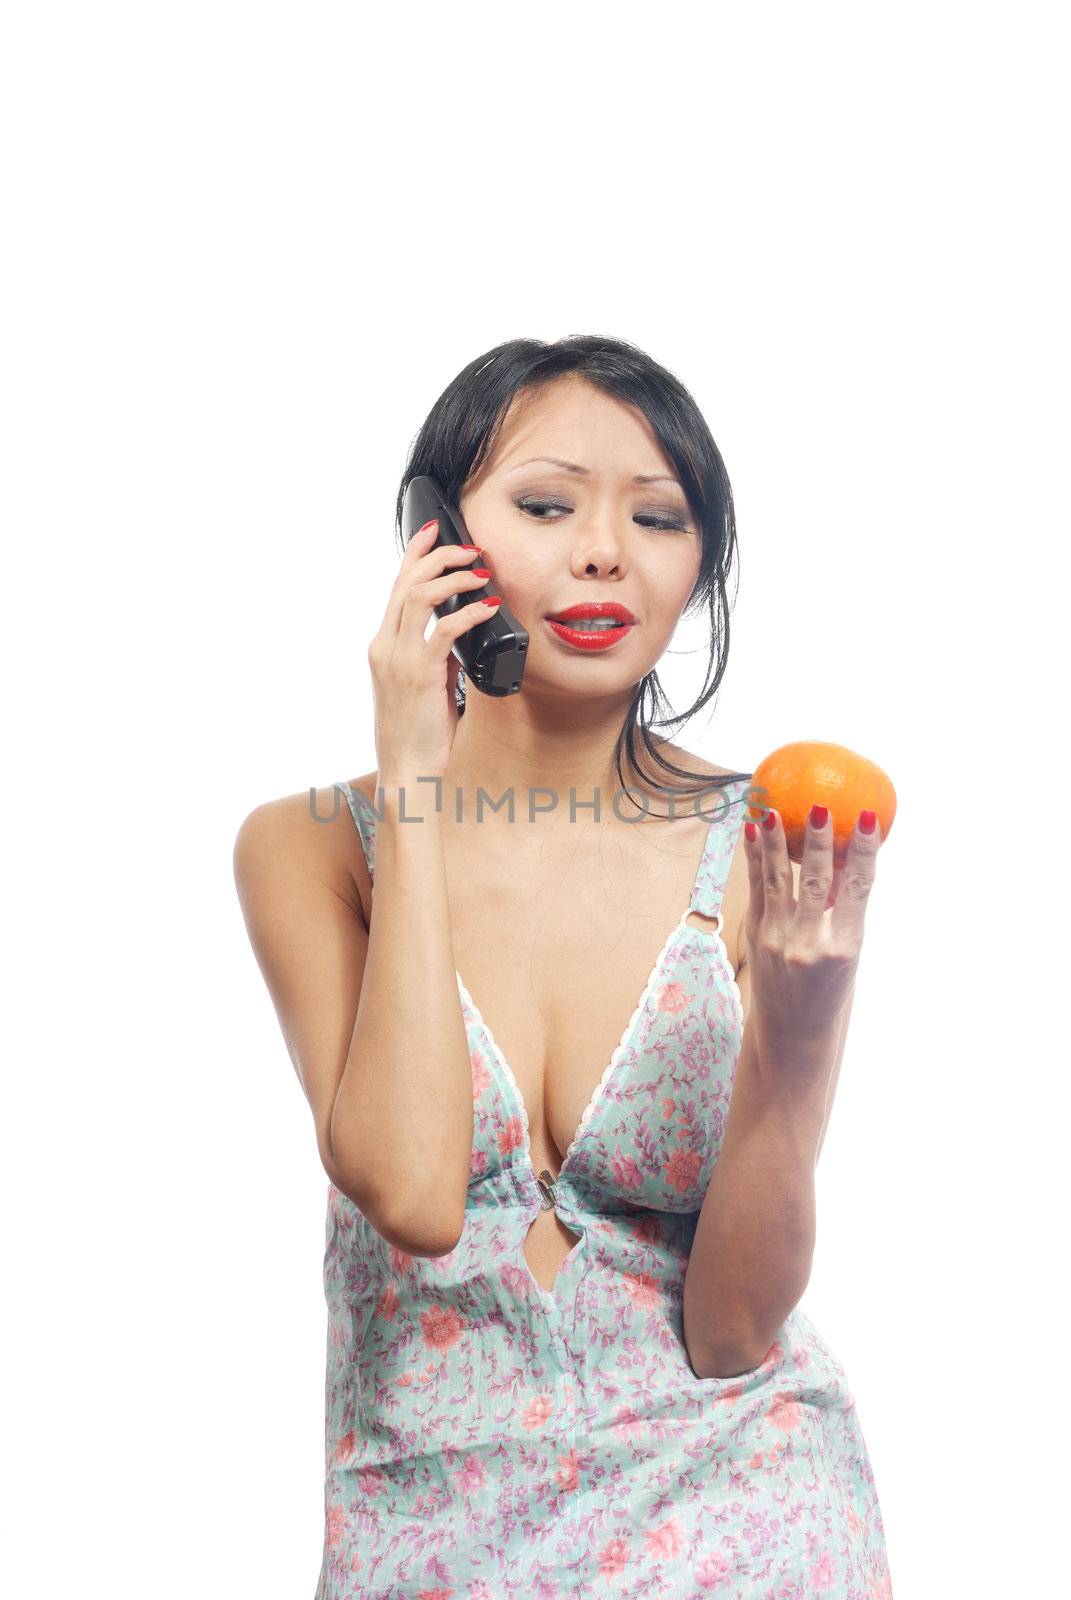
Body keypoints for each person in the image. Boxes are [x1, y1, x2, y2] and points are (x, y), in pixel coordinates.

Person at [233, 335, 894, 1598]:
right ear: (434, 539)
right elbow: (417, 1194)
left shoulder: (766, 838)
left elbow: (733, 1327)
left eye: (658, 517)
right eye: (546, 505)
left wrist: (801, 1032)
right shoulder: (311, 848)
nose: (605, 551)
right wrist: (415, 780)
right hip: (424, 1519)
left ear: (702, 567)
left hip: (740, 1509)